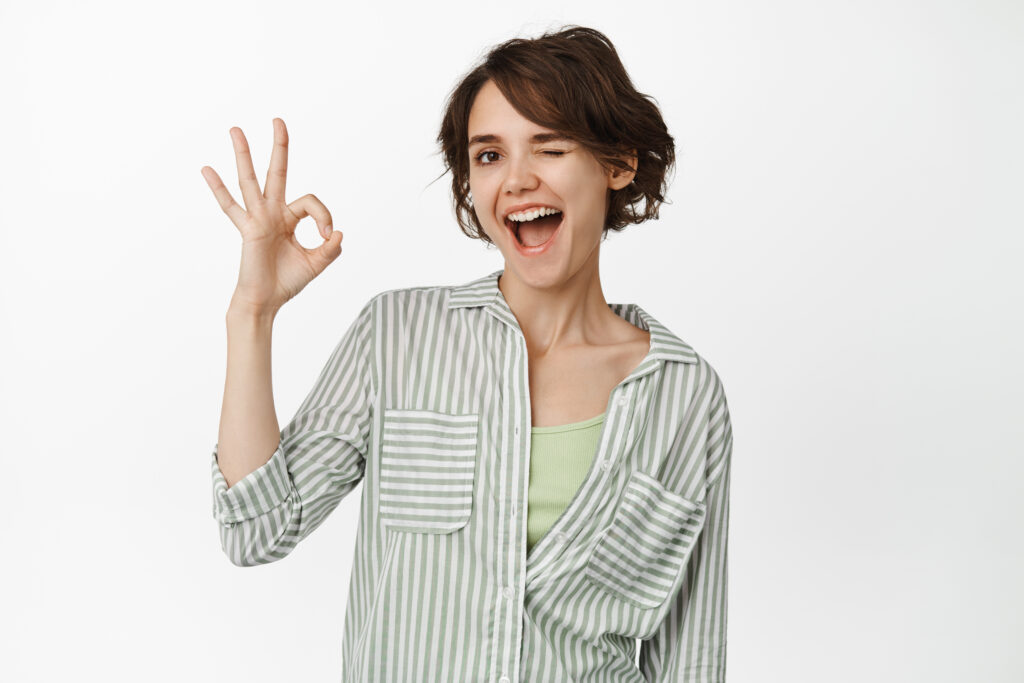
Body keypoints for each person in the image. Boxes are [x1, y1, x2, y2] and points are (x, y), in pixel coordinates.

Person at [202, 25, 733, 683]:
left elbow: (692, 654)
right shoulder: (397, 336)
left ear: (617, 164)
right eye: (488, 156)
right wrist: (252, 313)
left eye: (551, 146)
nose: (516, 179)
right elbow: (256, 529)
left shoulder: (687, 397)